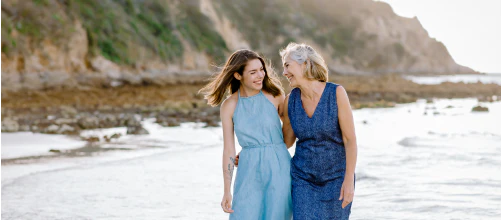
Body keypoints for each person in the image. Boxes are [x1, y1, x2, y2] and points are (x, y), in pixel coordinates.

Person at [199, 49, 293, 219]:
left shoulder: (275, 96)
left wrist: (266, 150)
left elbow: (289, 134)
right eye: (253, 72)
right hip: (248, 171)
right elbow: (228, 149)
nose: (260, 75)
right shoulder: (229, 105)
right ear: (237, 75)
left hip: (279, 168)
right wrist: (227, 191)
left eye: (261, 69)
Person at [280, 43, 358, 219]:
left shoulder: (336, 93)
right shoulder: (290, 101)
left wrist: (349, 181)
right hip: (303, 180)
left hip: (337, 179)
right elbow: (286, 141)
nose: (284, 72)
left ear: (305, 64)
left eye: (287, 65)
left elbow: (350, 140)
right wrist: (254, 148)